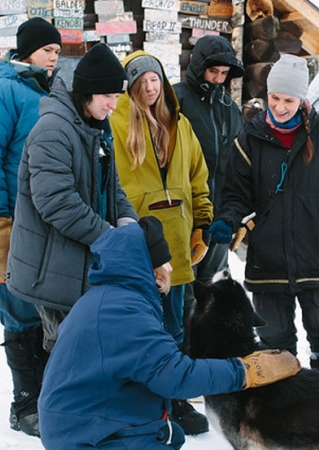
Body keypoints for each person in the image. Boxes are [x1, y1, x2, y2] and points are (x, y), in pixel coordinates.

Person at [38, 217, 301, 450]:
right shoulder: (124, 313)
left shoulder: (111, 298)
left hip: (89, 423)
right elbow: (176, 377)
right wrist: (248, 371)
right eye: (166, 261)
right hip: (92, 437)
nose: (172, 269)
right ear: (149, 267)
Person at [209, 54, 319, 381]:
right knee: (274, 351)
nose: (280, 106)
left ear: (302, 99)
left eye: (288, 99)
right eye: (274, 97)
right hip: (268, 264)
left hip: (318, 261)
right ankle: (280, 422)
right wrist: (227, 220)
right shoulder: (250, 139)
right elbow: (235, 193)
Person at [0, 17, 62, 437]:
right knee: (17, 309)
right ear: (26, 52)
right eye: (47, 51)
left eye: (58, 51)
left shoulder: (52, 93)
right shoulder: (1, 93)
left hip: (49, 225)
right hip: (12, 222)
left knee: (48, 311)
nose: (55, 57)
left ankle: (49, 399)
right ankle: (25, 404)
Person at [7, 43, 137, 355]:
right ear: (88, 92)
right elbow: (57, 202)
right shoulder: (53, 131)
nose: (114, 105)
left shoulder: (97, 129)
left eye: (117, 97)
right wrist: (110, 238)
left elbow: (113, 188)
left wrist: (129, 225)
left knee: (89, 352)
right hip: (54, 267)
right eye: (108, 96)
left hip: (84, 263)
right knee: (68, 353)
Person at [109, 51, 213, 435]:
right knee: (145, 325)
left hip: (180, 240)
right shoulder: (117, 124)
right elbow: (111, 183)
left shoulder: (180, 124)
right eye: (141, 82)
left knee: (178, 325)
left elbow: (198, 178)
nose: (150, 88)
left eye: (155, 79)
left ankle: (175, 397)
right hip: (141, 240)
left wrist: (202, 222)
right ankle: (145, 400)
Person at [173, 35, 245, 306]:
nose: (218, 79)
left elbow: (239, 166)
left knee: (213, 292)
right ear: (198, 65)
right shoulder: (176, 99)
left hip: (219, 220)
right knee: (182, 293)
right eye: (213, 71)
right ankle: (181, 348)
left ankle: (208, 348)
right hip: (184, 216)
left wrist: (237, 215)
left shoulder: (230, 109)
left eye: (224, 73)